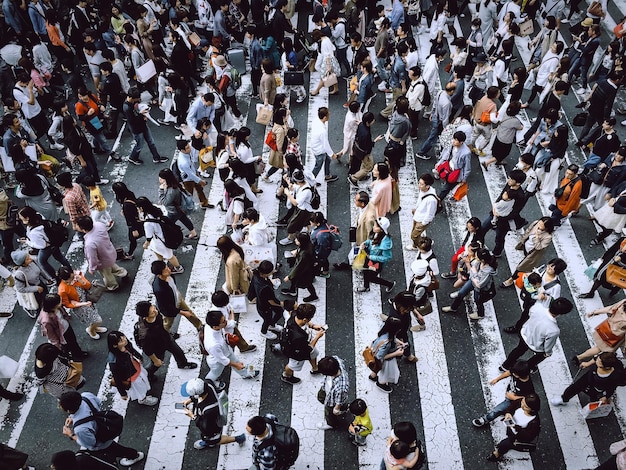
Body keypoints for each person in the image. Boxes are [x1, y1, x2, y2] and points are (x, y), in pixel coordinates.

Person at [58, 390, 145, 467]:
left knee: (112, 450)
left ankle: (134, 456)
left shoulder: (80, 429)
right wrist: (74, 417)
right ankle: (133, 455)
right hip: (105, 425)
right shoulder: (86, 396)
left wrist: (71, 435)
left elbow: (91, 443)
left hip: (102, 442)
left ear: (69, 410)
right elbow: (98, 403)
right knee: (115, 448)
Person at [501, 297, 573, 372]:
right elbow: (548, 345)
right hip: (536, 346)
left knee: (518, 350)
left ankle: (505, 365)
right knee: (538, 358)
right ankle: (527, 368)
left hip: (525, 334)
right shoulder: (554, 330)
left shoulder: (537, 307)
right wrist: (548, 353)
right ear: (561, 314)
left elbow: (529, 313)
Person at [134, 301, 198, 381]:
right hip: (157, 347)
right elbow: (147, 349)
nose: (155, 310)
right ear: (145, 317)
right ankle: (147, 374)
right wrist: (155, 360)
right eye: (152, 312)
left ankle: (182, 364)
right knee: (156, 365)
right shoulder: (145, 333)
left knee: (179, 352)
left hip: (166, 338)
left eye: (153, 307)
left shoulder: (155, 313)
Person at [179, 378, 246, 450]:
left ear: (198, 395)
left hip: (213, 426)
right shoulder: (208, 384)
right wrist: (190, 400)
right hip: (213, 418)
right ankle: (209, 442)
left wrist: (192, 416)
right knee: (211, 439)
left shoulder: (209, 411)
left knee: (215, 440)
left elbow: (205, 428)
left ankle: (238, 438)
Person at [203, 310, 260, 388]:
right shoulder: (214, 344)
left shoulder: (210, 326)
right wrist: (236, 365)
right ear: (215, 326)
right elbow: (222, 360)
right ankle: (208, 384)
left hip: (225, 351)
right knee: (215, 373)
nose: (226, 322)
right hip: (217, 361)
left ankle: (244, 373)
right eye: (223, 321)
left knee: (235, 360)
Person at [472, 360, 535, 428]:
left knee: (496, 410)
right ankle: (505, 412)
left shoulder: (528, 387)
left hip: (513, 401)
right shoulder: (517, 371)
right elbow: (508, 373)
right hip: (510, 396)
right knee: (504, 409)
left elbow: (526, 399)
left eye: (514, 374)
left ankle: (485, 419)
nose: (512, 374)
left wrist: (512, 398)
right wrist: (497, 379)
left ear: (520, 375)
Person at [442, 248, 497, 320]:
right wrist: (474, 275)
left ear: (482, 260)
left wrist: (473, 274)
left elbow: (480, 284)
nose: (475, 257)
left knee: (478, 300)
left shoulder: (488, 271)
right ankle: (453, 307)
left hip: (480, 289)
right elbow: (472, 271)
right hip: (473, 282)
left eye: (477, 256)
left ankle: (480, 314)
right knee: (461, 293)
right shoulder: (479, 262)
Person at [551, 352, 623, 407]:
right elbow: (596, 358)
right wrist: (587, 363)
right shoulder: (604, 357)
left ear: (607, 367)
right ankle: (564, 399)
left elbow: (611, 388)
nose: (597, 362)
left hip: (597, 389)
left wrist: (606, 396)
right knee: (573, 388)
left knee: (594, 400)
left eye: (599, 363)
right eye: (598, 359)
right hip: (587, 379)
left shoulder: (614, 376)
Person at [76, 216, 128, 292]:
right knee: (113, 266)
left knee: (107, 275)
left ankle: (113, 286)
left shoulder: (90, 243)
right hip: (110, 252)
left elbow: (92, 258)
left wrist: (92, 268)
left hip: (102, 261)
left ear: (83, 229)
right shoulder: (99, 225)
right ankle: (123, 273)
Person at [17, 206, 71, 279]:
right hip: (53, 241)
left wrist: (27, 242)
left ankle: (55, 278)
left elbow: (42, 246)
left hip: (47, 247)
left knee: (42, 261)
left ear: (27, 218)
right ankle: (70, 270)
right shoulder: (39, 216)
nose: (21, 220)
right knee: (59, 256)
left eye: (22, 218)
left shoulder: (34, 232)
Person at [500, 217, 555, 288]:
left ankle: (511, 280)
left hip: (532, 254)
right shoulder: (536, 223)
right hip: (526, 247)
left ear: (547, 228)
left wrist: (537, 237)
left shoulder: (548, 237)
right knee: (525, 264)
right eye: (539, 223)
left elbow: (539, 247)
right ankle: (526, 272)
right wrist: (523, 240)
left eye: (541, 225)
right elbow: (528, 231)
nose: (538, 225)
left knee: (520, 267)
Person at [107, 331, 158, 406]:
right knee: (140, 389)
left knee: (143, 380)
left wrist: (138, 356)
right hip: (131, 377)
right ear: (115, 345)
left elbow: (132, 350)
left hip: (135, 368)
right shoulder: (114, 361)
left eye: (123, 337)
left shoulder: (125, 345)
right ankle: (142, 399)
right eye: (121, 340)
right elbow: (117, 378)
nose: (125, 339)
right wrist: (123, 393)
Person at [151, 260, 203, 332]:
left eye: (167, 268)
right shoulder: (160, 290)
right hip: (169, 310)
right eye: (165, 271)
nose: (169, 270)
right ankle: (165, 335)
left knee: (190, 313)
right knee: (167, 324)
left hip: (177, 298)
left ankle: (199, 326)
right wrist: (183, 312)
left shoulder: (169, 275)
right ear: (159, 275)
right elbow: (168, 306)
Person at [486, 394, 541, 462]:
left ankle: (497, 454)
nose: (522, 406)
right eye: (522, 402)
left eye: (526, 407)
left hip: (518, 437)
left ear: (532, 409)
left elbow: (529, 436)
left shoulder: (535, 422)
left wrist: (517, 428)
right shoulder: (520, 402)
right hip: (511, 428)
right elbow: (511, 406)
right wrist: (508, 413)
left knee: (504, 444)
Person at [137, 197, 185, 273]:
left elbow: (148, 237)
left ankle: (178, 268)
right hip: (163, 236)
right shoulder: (156, 209)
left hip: (161, 241)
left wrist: (146, 244)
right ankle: (161, 263)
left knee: (169, 256)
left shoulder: (148, 223)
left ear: (141, 208)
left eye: (138, 207)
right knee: (157, 250)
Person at [122, 88, 168, 165]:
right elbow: (132, 121)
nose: (138, 99)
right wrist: (141, 114)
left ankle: (156, 157)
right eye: (137, 98)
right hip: (136, 129)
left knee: (151, 142)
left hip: (142, 125)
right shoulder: (127, 108)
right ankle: (133, 157)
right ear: (132, 98)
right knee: (139, 145)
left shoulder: (132, 102)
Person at [280, 302, 324, 384]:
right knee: (292, 366)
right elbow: (309, 348)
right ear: (305, 319)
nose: (311, 319)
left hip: (304, 344)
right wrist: (318, 336)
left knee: (313, 354)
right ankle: (286, 376)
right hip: (297, 352)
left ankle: (315, 368)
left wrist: (313, 326)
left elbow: (306, 322)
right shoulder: (298, 336)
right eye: (310, 318)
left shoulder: (295, 314)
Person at [57, 267, 106, 340]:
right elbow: (67, 304)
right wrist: (82, 304)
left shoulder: (77, 275)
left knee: (94, 318)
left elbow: (88, 286)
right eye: (71, 278)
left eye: (73, 275)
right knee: (98, 320)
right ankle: (91, 330)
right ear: (64, 279)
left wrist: (81, 280)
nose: (73, 278)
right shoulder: (62, 289)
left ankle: (94, 327)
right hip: (80, 308)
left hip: (88, 300)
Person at [39, 293, 88, 360]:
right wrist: (57, 346)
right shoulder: (46, 320)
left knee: (73, 342)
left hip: (66, 327)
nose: (61, 302)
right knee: (66, 347)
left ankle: (77, 353)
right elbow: (51, 335)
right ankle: (71, 357)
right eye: (60, 302)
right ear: (54, 305)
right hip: (61, 334)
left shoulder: (56, 307)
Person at [248, 261, 285, 340]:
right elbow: (271, 301)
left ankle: (272, 325)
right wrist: (281, 304)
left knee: (279, 312)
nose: (273, 271)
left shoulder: (256, 275)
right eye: (271, 271)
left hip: (261, 302)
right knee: (267, 319)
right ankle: (264, 332)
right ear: (266, 273)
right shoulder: (265, 288)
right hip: (264, 306)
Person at [357, 217, 395, 293]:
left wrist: (372, 257)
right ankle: (366, 286)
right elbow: (370, 241)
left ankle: (389, 284)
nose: (373, 227)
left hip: (375, 262)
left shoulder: (386, 243)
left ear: (381, 229)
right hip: (369, 256)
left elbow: (386, 257)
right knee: (365, 271)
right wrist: (365, 243)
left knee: (371, 277)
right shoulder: (376, 233)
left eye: (376, 226)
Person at [368, 316, 405, 393]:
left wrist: (397, 341)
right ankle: (381, 383)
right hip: (384, 359)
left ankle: (373, 376)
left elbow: (391, 336)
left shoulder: (384, 328)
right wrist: (396, 353)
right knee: (385, 373)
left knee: (377, 366)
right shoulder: (387, 344)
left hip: (374, 349)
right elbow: (380, 357)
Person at [158, 168, 198, 239]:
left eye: (161, 178)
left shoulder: (172, 191)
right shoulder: (173, 183)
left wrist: (161, 191)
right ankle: (193, 233)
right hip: (179, 208)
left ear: (166, 179)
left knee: (168, 225)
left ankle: (174, 236)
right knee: (184, 219)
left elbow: (166, 202)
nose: (159, 179)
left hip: (173, 211)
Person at [432, 131, 472, 200]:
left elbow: (467, 167)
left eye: (456, 140)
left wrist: (464, 178)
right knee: (448, 183)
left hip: (456, 173)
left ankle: (439, 199)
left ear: (461, 142)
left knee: (446, 188)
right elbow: (447, 154)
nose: (453, 141)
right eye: (454, 138)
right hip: (449, 167)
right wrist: (439, 163)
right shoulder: (453, 145)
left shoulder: (466, 153)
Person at [12, 248, 52, 318]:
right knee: (38, 304)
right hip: (33, 291)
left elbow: (40, 270)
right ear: (22, 263)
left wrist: (47, 278)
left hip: (41, 284)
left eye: (29, 256)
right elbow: (21, 289)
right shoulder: (19, 274)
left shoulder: (33, 262)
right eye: (27, 259)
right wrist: (36, 288)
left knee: (47, 298)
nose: (30, 258)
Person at [279, 169, 314, 246]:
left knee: (292, 225)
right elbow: (294, 187)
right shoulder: (304, 184)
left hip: (303, 210)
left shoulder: (306, 191)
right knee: (307, 222)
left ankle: (290, 238)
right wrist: (289, 184)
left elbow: (295, 202)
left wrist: (288, 194)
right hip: (306, 209)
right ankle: (311, 233)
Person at [281, 232, 319, 302]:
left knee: (307, 284)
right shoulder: (308, 244)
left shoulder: (305, 254)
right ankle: (292, 290)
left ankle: (313, 295)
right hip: (308, 268)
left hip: (305, 271)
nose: (295, 240)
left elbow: (299, 267)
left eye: (297, 240)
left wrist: (289, 277)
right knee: (298, 280)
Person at [405, 174, 438, 250]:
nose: (419, 185)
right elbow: (420, 200)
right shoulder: (423, 190)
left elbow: (430, 213)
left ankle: (415, 246)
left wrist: (423, 223)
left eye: (421, 184)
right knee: (415, 233)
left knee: (413, 235)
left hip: (422, 220)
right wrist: (416, 208)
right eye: (419, 183)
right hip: (417, 216)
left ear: (427, 186)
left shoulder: (431, 200)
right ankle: (426, 241)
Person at [175, 140, 211, 209]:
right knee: (189, 194)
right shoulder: (183, 162)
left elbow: (191, 166)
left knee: (200, 189)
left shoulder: (187, 153)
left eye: (189, 146)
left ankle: (204, 203)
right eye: (187, 148)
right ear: (182, 150)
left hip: (193, 174)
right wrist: (200, 181)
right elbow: (190, 174)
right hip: (188, 180)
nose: (190, 148)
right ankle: (188, 206)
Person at [112, 182, 143, 259]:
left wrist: (134, 229)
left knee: (132, 238)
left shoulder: (126, 205)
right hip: (139, 220)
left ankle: (129, 253)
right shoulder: (130, 194)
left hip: (135, 224)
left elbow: (130, 219)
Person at [317, 355, 350, 430]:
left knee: (329, 413)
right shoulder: (335, 360)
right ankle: (344, 408)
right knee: (321, 397)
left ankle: (330, 424)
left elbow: (339, 399)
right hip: (327, 390)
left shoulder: (341, 386)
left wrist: (336, 408)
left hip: (332, 401)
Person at [310, 107, 338, 182]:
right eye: (329, 115)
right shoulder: (322, 131)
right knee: (318, 167)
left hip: (316, 146)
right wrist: (332, 154)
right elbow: (325, 145)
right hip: (319, 151)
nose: (330, 116)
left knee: (327, 160)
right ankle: (310, 181)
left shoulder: (316, 120)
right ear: (325, 117)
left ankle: (327, 175)